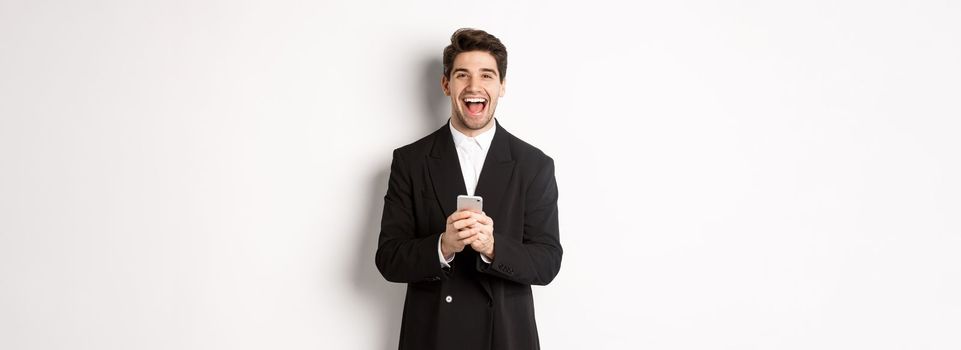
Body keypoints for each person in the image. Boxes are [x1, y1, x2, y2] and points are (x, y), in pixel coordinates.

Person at [375, 28, 562, 350]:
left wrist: (493, 246)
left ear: (501, 86)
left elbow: (547, 263)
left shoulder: (534, 164)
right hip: (432, 335)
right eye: (463, 75)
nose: (474, 86)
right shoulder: (410, 160)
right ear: (446, 84)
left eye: (487, 75)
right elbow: (389, 259)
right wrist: (443, 245)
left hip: (505, 335)